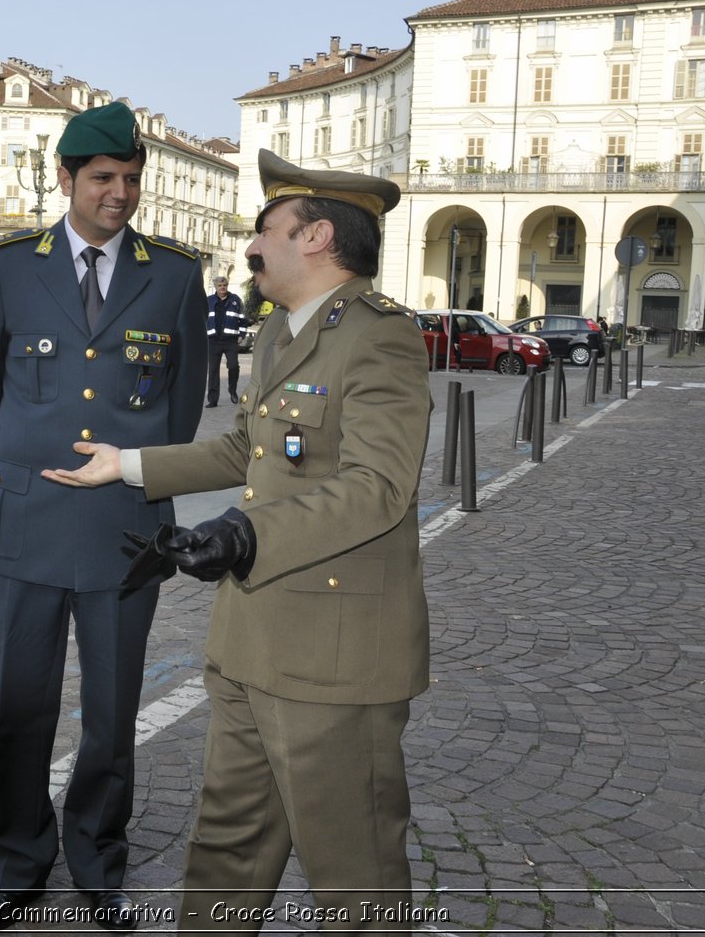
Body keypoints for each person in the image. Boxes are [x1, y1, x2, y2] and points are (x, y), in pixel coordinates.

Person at [44, 149, 432, 933]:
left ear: (316, 236)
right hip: (253, 641)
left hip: (334, 658)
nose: (250, 247)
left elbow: (377, 488)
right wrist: (130, 464)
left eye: (265, 230)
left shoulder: (378, 338)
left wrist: (244, 533)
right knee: (227, 846)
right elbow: (243, 450)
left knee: (354, 868)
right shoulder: (281, 335)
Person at [0, 102, 207, 932]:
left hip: (125, 527)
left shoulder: (173, 273)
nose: (120, 193)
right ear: (64, 179)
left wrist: (133, 477)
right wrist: (34, 463)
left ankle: (100, 860)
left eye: (132, 179)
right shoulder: (9, 266)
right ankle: (16, 861)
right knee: (19, 703)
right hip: (29, 519)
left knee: (111, 710)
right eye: (103, 178)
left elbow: (183, 407)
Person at [205, 276, 248, 406]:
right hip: (213, 341)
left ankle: (232, 390)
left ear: (227, 286)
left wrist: (242, 334)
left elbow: (243, 319)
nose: (222, 287)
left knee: (234, 366)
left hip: (231, 341)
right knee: (213, 370)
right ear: (215, 287)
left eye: (224, 285)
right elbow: (201, 318)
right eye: (219, 285)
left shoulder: (235, 300)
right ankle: (213, 399)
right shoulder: (209, 301)